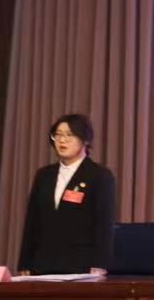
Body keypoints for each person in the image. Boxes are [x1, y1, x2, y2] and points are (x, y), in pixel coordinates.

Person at [17, 113, 117, 275]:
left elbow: (104, 225)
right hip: (42, 265)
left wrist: (100, 264)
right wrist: (25, 263)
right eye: (58, 135)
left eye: (69, 135)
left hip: (81, 266)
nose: (62, 140)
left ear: (85, 140)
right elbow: (32, 222)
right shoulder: (44, 175)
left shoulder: (99, 175)